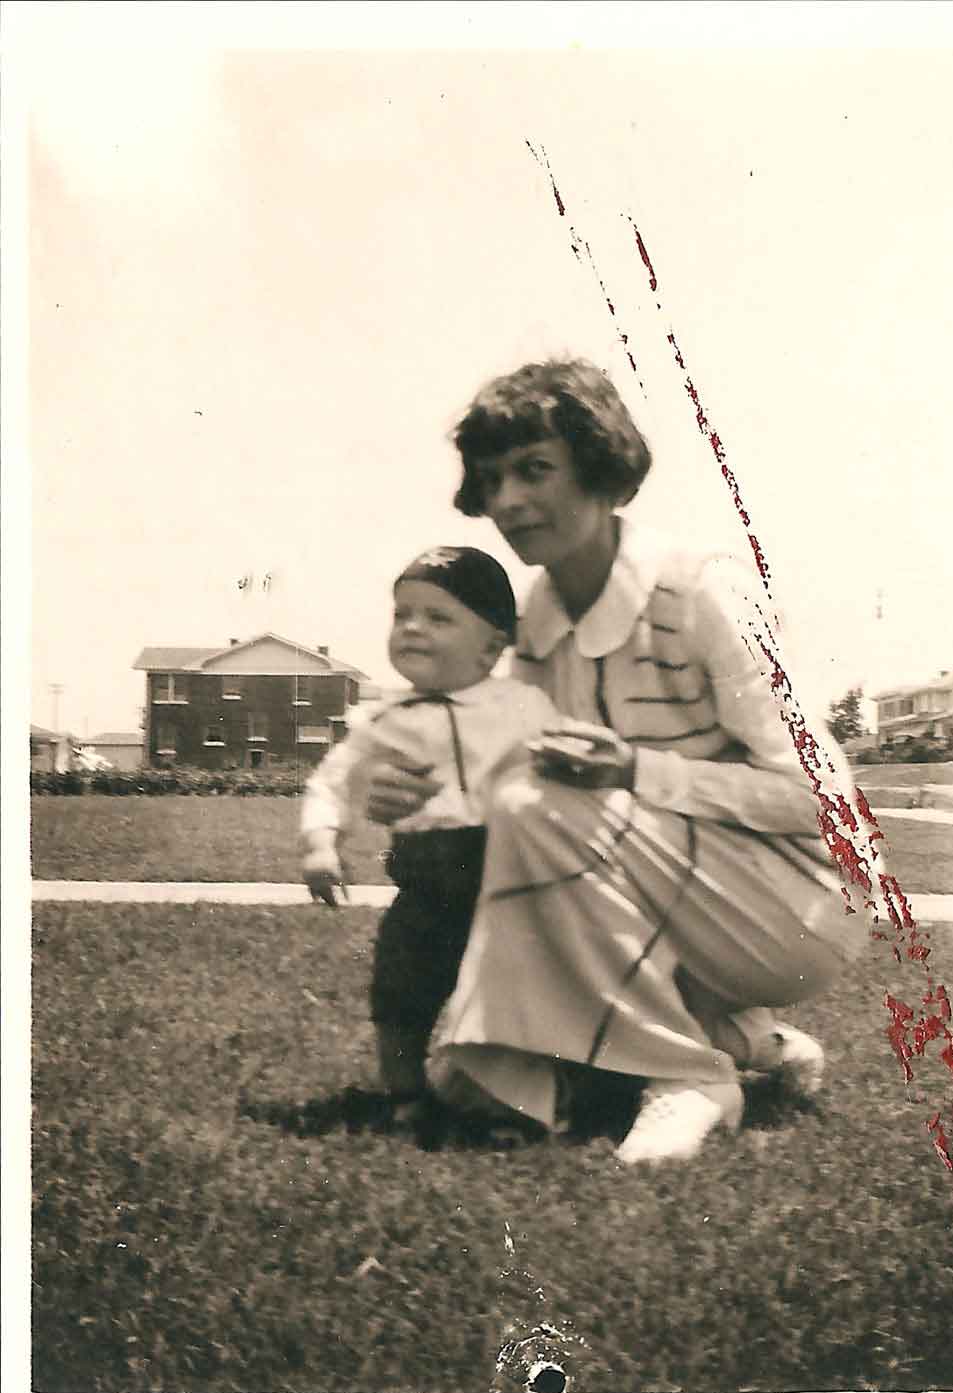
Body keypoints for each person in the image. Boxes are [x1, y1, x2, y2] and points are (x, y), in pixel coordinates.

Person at [361, 358, 871, 1164]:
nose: (509, 502)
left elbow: (830, 808)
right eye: (492, 479)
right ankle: (742, 1038)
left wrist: (636, 771)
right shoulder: (535, 624)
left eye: (535, 470)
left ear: (601, 469)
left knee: (543, 805)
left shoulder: (705, 590)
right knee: (471, 1083)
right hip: (684, 897)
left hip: (802, 902)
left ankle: (688, 1076)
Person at [301, 545, 559, 1122]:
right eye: (403, 615)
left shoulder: (521, 705)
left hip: (504, 883)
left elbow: (556, 762)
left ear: (493, 645)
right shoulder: (386, 720)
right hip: (423, 881)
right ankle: (405, 1094)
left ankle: (512, 1097)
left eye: (438, 618)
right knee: (400, 987)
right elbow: (333, 782)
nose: (413, 629)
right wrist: (321, 843)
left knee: (510, 992)